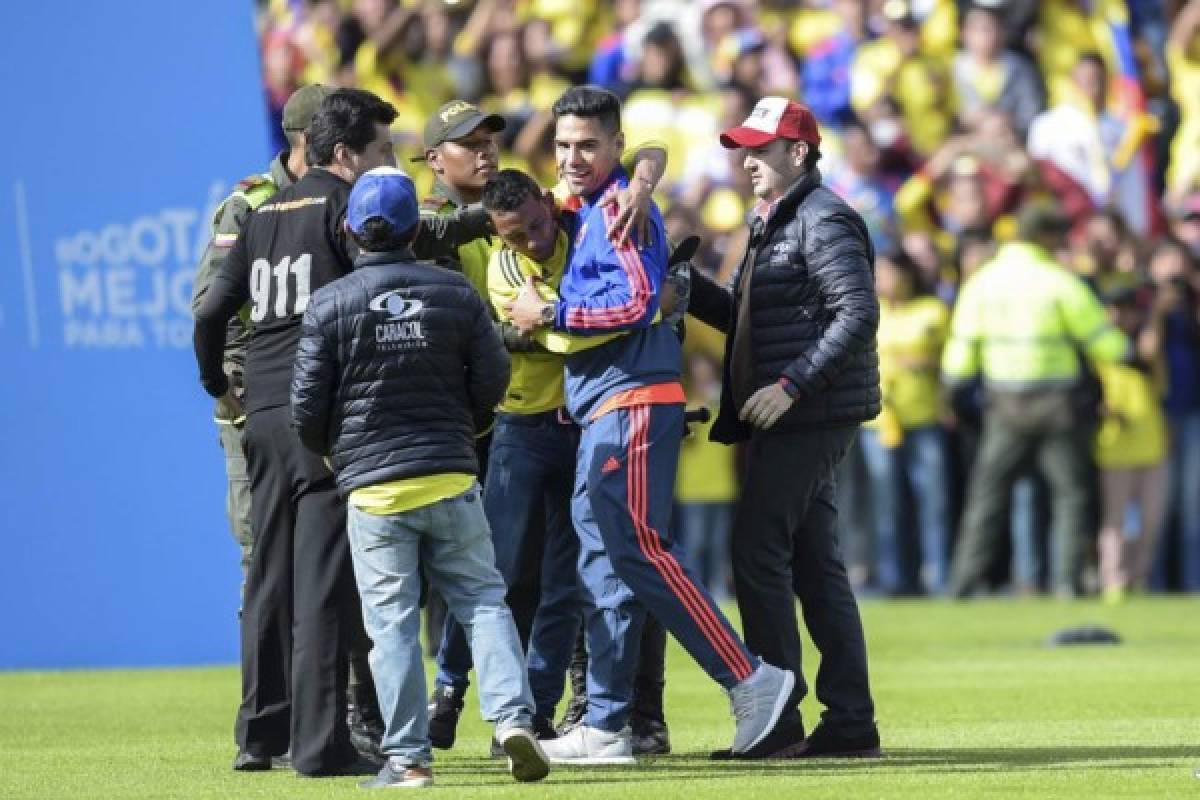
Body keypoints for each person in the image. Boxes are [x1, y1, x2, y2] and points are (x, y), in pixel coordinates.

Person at [508, 85, 793, 766]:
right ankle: (606, 725)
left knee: (638, 551)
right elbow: (651, 158)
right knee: (603, 568)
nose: (573, 158)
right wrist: (648, 167)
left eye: (587, 145)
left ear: (613, 146)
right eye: (564, 145)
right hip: (603, 405)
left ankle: (751, 679)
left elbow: (639, 299)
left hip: (633, 403)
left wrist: (552, 315)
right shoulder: (587, 203)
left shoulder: (617, 212)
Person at [290, 167, 550, 789]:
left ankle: (406, 759)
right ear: (416, 229)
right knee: (484, 600)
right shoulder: (454, 291)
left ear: (351, 228)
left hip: (375, 490)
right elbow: (491, 377)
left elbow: (305, 404)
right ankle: (514, 719)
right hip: (451, 475)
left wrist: (335, 451)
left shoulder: (329, 302)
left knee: (392, 625)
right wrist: (462, 428)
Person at [193, 88, 401, 777]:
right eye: (380, 152)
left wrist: (217, 384)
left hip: (264, 416)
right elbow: (365, 297)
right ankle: (320, 745)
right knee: (321, 582)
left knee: (267, 580)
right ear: (344, 154)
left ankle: (259, 734)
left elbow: (212, 312)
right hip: (324, 416)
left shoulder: (260, 213)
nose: (386, 166)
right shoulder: (343, 208)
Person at [687, 96, 882, 759]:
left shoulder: (822, 219)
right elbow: (747, 318)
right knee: (813, 566)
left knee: (756, 552)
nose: (746, 161)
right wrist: (683, 284)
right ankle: (850, 723)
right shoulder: (782, 217)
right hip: (806, 410)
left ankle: (778, 721)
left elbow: (857, 315)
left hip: (808, 411)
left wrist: (792, 382)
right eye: (743, 149)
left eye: (760, 149)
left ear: (799, 152)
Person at [942, 203, 1130, 599]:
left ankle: (961, 584)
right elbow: (1104, 343)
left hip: (1004, 405)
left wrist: (953, 389)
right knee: (1071, 496)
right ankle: (1067, 583)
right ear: (1046, 237)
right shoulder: (1059, 281)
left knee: (986, 498)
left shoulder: (984, 281)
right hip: (1058, 406)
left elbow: (962, 346)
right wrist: (1126, 349)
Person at [191, 83, 329, 600]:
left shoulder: (342, 198)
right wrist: (232, 380)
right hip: (259, 400)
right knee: (265, 551)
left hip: (320, 396)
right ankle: (272, 682)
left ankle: (344, 684)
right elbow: (212, 302)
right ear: (312, 138)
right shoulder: (251, 204)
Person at [1095, 287, 1168, 602]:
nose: (1122, 317)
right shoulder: (1098, 352)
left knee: (1151, 518)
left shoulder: (1144, 354)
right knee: (1116, 519)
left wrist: (1157, 320)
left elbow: (1161, 387)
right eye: (1116, 310)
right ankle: (1114, 580)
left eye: (1128, 310)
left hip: (1151, 445)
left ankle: (1139, 577)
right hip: (1115, 446)